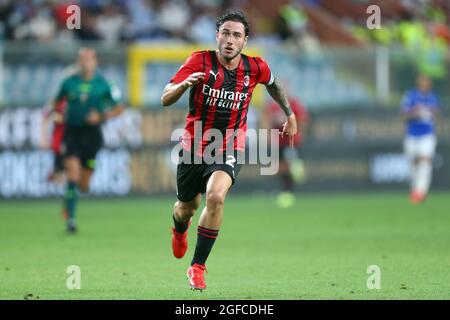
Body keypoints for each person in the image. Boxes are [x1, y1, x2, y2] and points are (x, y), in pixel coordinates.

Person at [161, 10, 297, 290]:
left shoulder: (255, 67)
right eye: (225, 33)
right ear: (217, 36)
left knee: (215, 196)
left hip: (229, 146)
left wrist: (289, 115)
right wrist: (183, 86)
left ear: (245, 40)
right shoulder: (199, 61)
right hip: (194, 145)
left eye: (237, 35)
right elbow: (165, 96)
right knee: (187, 207)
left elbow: (274, 85)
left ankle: (197, 266)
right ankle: (179, 227)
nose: (230, 40)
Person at [53, 48, 124, 233]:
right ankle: (71, 221)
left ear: (95, 62)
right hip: (72, 134)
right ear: (78, 62)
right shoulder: (69, 82)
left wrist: (100, 117)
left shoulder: (103, 85)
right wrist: (58, 114)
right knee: (73, 173)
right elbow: (56, 102)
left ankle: (70, 197)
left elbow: (118, 109)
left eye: (88, 59)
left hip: (92, 137)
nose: (85, 63)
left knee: (84, 185)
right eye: (82, 59)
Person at [401, 74, 440, 204]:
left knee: (425, 160)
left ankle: (421, 191)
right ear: (418, 83)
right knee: (413, 163)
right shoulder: (411, 96)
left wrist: (433, 113)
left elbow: (437, 115)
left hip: (427, 134)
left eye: (426, 81)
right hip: (412, 134)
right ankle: (415, 189)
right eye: (422, 81)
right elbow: (403, 115)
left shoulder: (432, 97)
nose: (424, 84)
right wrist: (414, 112)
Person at [265, 93, 308, 208]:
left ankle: (288, 191)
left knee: (289, 166)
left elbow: (302, 120)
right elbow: (268, 121)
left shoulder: (294, 104)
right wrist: (268, 135)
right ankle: (287, 189)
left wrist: (297, 131)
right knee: (280, 168)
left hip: (291, 140)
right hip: (278, 141)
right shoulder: (273, 106)